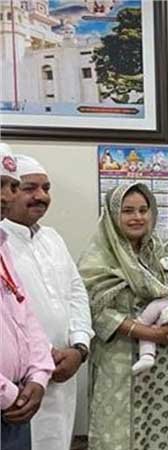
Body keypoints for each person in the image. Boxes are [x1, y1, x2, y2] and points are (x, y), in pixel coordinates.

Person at [78, 183, 168, 450]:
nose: (137, 217)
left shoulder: (164, 252)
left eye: (143, 210)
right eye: (128, 211)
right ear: (113, 214)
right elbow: (96, 312)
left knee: (160, 434)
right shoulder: (99, 259)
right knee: (116, 437)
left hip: (163, 371)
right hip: (119, 364)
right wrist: (150, 333)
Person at [0, 155, 94, 450]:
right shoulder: (5, 242)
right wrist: (36, 366)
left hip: (60, 374)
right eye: (29, 188)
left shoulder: (53, 238)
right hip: (18, 386)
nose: (41, 196)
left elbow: (76, 293)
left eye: (46, 188)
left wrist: (80, 348)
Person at [0, 143, 54, 450]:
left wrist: (38, 376)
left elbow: (25, 316)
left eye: (11, 185)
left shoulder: (2, 245)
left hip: (18, 404)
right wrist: (9, 394)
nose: (6, 196)